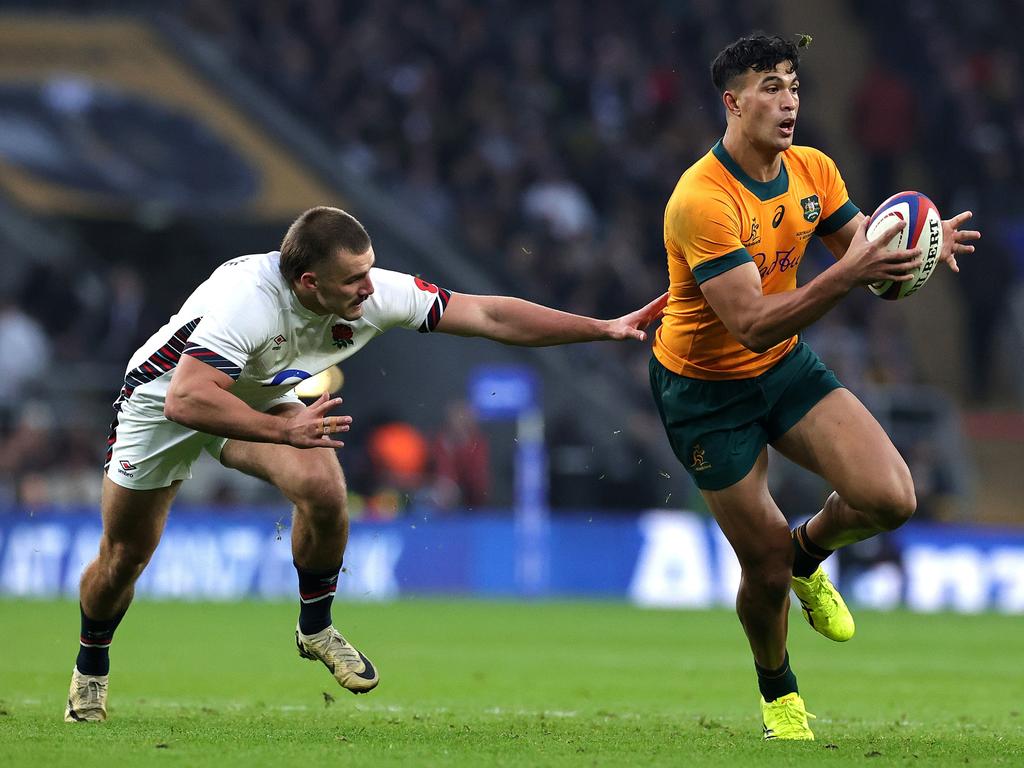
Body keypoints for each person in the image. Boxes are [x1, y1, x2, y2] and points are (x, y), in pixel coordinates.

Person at [64, 205, 668, 722]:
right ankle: (91, 665)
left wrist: (600, 327)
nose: (370, 289)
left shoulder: (374, 291)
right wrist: (283, 426)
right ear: (307, 283)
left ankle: (315, 627)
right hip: (164, 404)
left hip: (260, 392)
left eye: (369, 271)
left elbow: (487, 315)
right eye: (353, 279)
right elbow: (186, 397)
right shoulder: (248, 304)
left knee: (324, 489)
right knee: (124, 560)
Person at [648, 34, 979, 741]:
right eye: (770, 85)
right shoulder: (701, 200)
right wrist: (854, 271)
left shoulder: (815, 170)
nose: (789, 98)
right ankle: (779, 692)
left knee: (891, 497)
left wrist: (914, 254)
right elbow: (751, 324)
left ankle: (810, 553)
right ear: (732, 103)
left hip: (785, 368)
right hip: (705, 392)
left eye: (793, 84)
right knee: (759, 565)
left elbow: (869, 263)